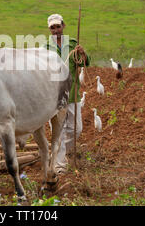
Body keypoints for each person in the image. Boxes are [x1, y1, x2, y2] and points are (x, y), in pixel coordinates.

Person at [44, 13, 90, 174]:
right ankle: (60, 164)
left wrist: (82, 53)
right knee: (59, 132)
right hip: (54, 96)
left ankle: (58, 152)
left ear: (63, 26)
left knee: (76, 129)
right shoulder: (45, 48)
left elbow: (86, 63)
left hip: (72, 94)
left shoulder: (73, 44)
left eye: (58, 26)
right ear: (49, 29)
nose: (56, 30)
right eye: (52, 28)